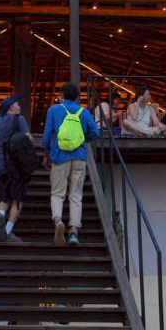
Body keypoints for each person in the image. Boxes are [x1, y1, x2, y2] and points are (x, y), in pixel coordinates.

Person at [41, 83, 99, 247]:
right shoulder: (83, 111)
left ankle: (58, 220)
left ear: (62, 95)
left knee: (57, 193)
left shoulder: (54, 110)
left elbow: (47, 135)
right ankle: (73, 231)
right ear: (77, 97)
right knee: (76, 195)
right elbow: (95, 132)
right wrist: (82, 140)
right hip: (79, 157)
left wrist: (46, 153)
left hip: (59, 156)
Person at [0, 96, 31, 242]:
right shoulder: (18, 119)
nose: (19, 106)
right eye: (17, 104)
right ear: (11, 107)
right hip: (14, 165)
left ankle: (0, 214)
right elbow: (28, 138)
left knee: (4, 198)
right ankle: (7, 231)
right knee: (17, 200)